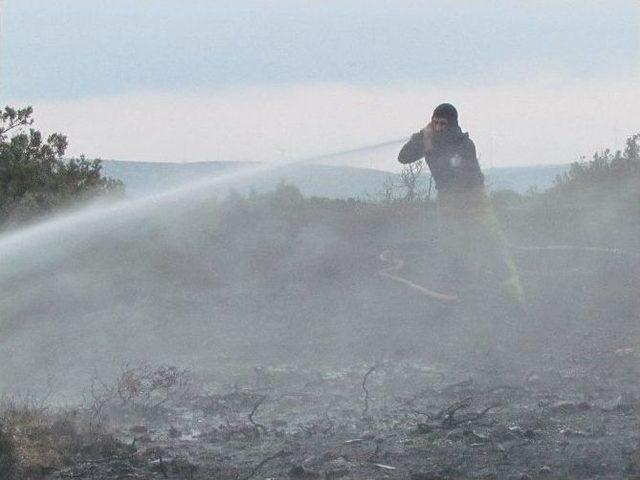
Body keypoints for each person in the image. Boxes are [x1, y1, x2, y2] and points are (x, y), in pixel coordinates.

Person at [398, 103, 525, 310]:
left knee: (493, 247)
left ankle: (515, 299)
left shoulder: (464, 144)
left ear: (452, 125)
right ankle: (463, 300)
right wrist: (421, 135)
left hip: (474, 201)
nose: (438, 127)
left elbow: (453, 174)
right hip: (448, 202)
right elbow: (403, 157)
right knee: (453, 249)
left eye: (442, 124)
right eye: (435, 123)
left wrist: (430, 144)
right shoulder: (429, 139)